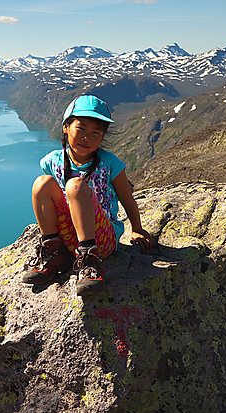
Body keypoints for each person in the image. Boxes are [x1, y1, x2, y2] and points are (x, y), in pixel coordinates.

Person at [22, 94, 152, 296]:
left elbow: (127, 198)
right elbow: (51, 198)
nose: (87, 137)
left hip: (102, 240)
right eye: (80, 128)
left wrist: (137, 229)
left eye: (96, 132)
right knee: (42, 183)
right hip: (68, 236)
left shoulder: (110, 163)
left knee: (74, 186)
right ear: (66, 127)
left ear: (102, 137)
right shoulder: (51, 161)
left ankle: (90, 261)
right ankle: (54, 251)